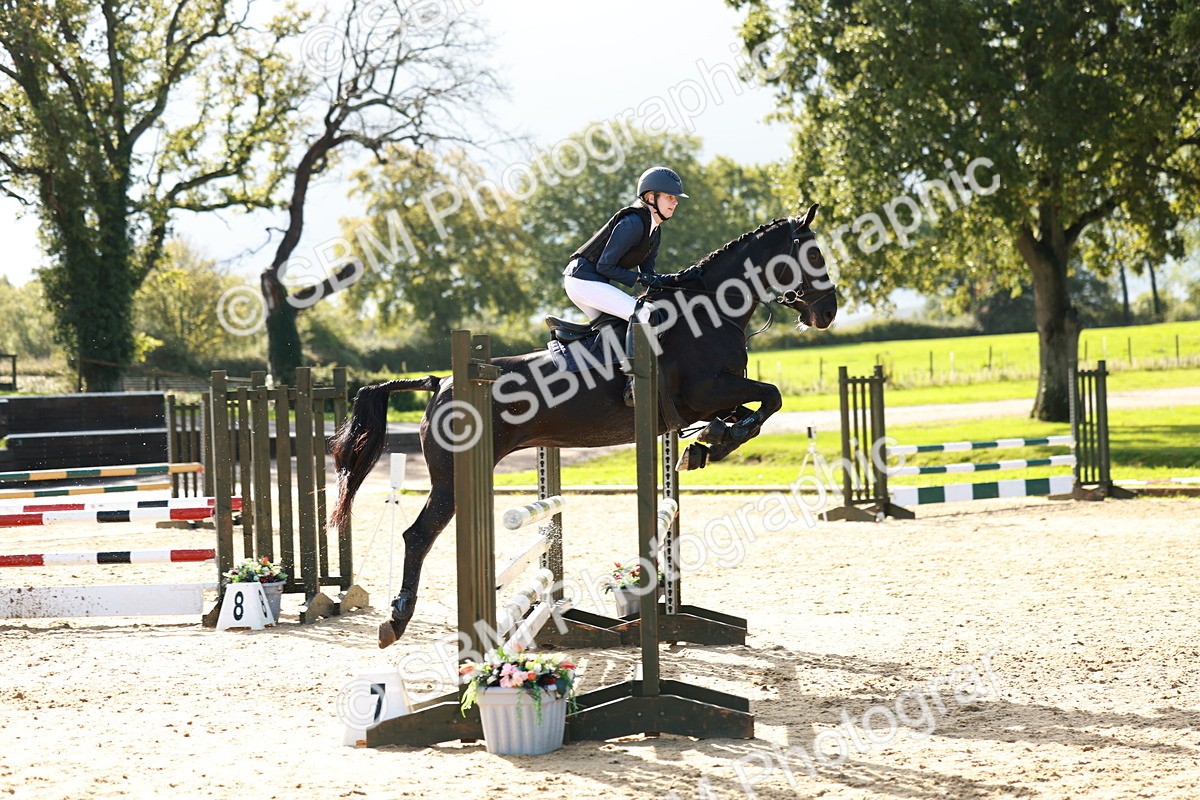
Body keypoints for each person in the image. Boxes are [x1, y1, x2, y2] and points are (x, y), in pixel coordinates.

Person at [562, 166, 687, 405]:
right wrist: (641, 280)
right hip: (582, 279)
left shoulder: (654, 231)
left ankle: (599, 389)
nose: (675, 203)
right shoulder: (632, 222)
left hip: (592, 280)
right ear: (651, 198)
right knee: (640, 313)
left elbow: (648, 274)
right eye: (670, 197)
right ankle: (635, 383)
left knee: (620, 327)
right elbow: (605, 265)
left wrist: (673, 284)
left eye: (676, 199)